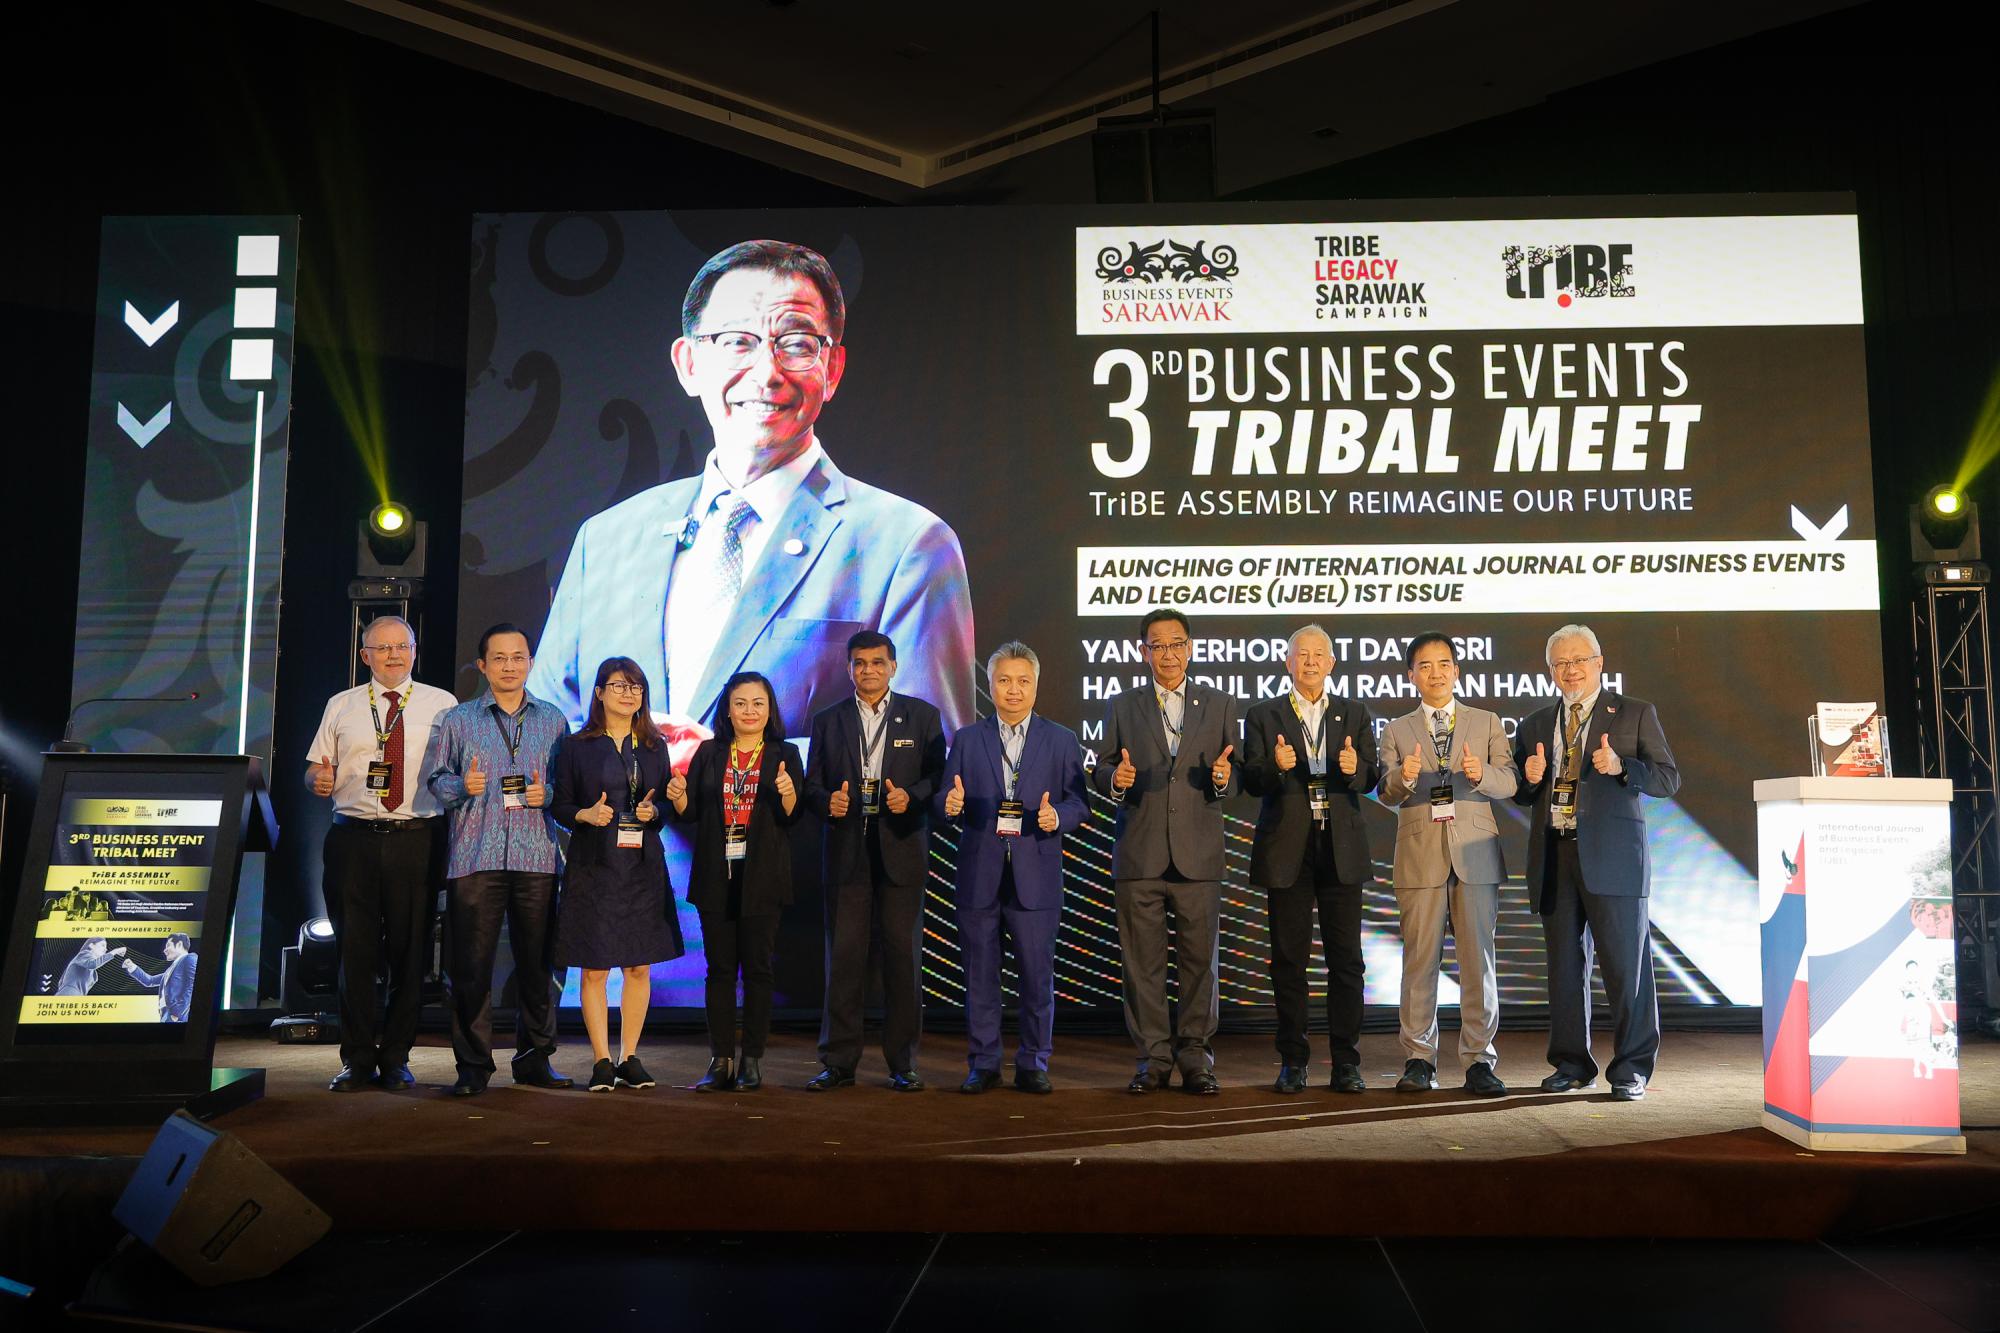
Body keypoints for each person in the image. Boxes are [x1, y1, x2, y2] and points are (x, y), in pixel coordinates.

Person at [527, 239, 976, 741]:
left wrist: (729, 764)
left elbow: (928, 751)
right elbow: (544, 731)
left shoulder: (908, 545)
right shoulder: (605, 539)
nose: (767, 373)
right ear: (689, 364)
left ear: (833, 370)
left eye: (798, 344)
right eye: (737, 342)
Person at [1511, 624, 1679, 1102]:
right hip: (1555, 854)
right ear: (1550, 670)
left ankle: (1631, 1069)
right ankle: (1571, 1064)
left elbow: (1668, 778)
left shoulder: (1634, 713)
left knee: (1626, 969)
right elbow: (1523, 792)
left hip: (1615, 859)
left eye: (1579, 660)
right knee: (1565, 969)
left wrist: (1623, 767)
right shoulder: (1535, 723)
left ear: (1599, 663)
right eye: (1561, 663)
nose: (1571, 670)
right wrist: (1529, 778)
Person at [1089, 609, 1240, 1095]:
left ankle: (1196, 1058)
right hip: (1140, 852)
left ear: (1190, 649)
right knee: (1143, 966)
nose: (1168, 654)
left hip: (1199, 855)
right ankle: (1152, 1058)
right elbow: (1101, 768)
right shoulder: (1122, 705)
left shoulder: (1219, 704)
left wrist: (1224, 779)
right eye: (1158, 645)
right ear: (1143, 652)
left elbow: (1236, 773)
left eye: (1176, 644)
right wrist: (1116, 779)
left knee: (1200, 966)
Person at [304, 614, 456, 1092]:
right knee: (354, 952)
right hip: (353, 840)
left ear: (414, 651)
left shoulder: (443, 704)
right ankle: (356, 1059)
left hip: (417, 837)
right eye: (383, 647)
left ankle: (396, 1058)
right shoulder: (342, 704)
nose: (394, 655)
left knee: (411, 954)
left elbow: (454, 771)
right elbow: (314, 770)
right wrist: (318, 780)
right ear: (365, 655)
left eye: (402, 646)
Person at [423, 623, 573, 1097]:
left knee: (539, 966)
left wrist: (548, 793)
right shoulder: (458, 720)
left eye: (518, 657)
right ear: (482, 666)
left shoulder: (554, 720)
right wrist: (460, 786)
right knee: (471, 968)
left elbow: (567, 788)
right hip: (475, 855)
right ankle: (472, 1065)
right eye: (499, 658)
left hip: (537, 856)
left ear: (531, 662)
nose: (510, 666)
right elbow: (436, 781)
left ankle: (535, 1059)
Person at [937, 642, 1089, 1094]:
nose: (1014, 690)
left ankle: (1033, 1062)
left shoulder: (1061, 739)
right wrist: (949, 804)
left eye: (1023, 681)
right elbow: (944, 797)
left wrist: (1058, 817)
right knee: (980, 977)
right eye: (1004, 680)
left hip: (1036, 876)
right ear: (990, 685)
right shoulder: (967, 739)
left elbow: (1079, 803)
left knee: (1036, 978)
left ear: (1036, 685)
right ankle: (983, 1063)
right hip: (979, 875)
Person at [802, 631, 946, 1092]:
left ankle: (903, 1063)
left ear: (893, 667)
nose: (869, 670)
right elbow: (811, 785)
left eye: (878, 662)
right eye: (860, 663)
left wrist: (912, 797)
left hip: (901, 849)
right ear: (849, 669)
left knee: (902, 961)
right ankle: (838, 1062)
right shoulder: (827, 720)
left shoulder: (922, 716)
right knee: (844, 960)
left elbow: (938, 777)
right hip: (846, 852)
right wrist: (827, 802)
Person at [1240, 625, 1380, 1094]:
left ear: (1332, 663)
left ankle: (1346, 1062)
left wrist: (1355, 770)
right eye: (1302, 654)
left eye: (1320, 654)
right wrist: (1275, 768)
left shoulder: (1354, 713)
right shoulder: (1263, 714)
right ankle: (1293, 1061)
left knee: (1347, 962)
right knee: (1288, 960)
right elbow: (1251, 780)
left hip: (1341, 849)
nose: (1311, 662)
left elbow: (1371, 776)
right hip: (1288, 850)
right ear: (1288, 662)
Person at [1377, 631, 1517, 1097]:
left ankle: (1479, 1060)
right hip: (1419, 856)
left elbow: (1510, 782)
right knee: (1420, 961)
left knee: (1478, 962)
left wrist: (1482, 774)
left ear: (1456, 670)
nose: (1435, 673)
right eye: (1425, 666)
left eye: (1443, 664)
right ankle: (1419, 1058)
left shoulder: (1487, 721)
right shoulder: (1395, 730)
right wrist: (1403, 777)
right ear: (1411, 675)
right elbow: (1386, 791)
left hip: (1475, 853)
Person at [550, 658, 686, 1093]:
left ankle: (629, 1057)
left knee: (638, 965)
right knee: (594, 969)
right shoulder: (577, 746)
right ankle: (601, 1060)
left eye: (636, 687)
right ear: (599, 692)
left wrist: (655, 811)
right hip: (595, 865)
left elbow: (664, 807)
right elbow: (560, 805)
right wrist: (584, 815)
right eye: (619, 686)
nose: (629, 694)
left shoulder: (654, 745)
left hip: (642, 866)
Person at [667, 671, 804, 1093]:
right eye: (740, 703)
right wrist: (678, 796)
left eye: (758, 703)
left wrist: (787, 791)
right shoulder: (709, 752)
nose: (749, 711)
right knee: (720, 971)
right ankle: (721, 1059)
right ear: (727, 709)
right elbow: (691, 812)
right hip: (715, 876)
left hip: (763, 876)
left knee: (759, 970)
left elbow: (793, 816)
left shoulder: (785, 754)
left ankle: (752, 1060)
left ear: (770, 709)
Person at [123, 934, 197, 1022]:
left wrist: (178, 1013)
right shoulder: (171, 970)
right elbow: (149, 981)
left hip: (175, 1016)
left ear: (179, 944)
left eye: (168, 945)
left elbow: (193, 985)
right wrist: (131, 966)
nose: (164, 950)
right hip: (166, 1014)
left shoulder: (189, 958)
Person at [56, 938, 125, 996]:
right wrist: (115, 951)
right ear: (91, 945)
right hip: (69, 993)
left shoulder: (92, 970)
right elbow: (93, 964)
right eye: (103, 945)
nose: (106, 949)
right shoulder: (84, 954)